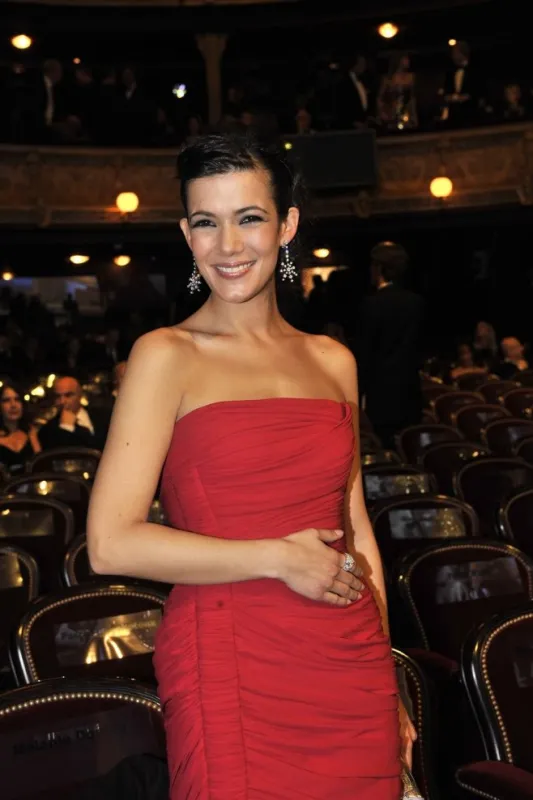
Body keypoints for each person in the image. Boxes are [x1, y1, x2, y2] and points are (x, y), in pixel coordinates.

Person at [87, 134, 414, 799]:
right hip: (230, 656)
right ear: (186, 233)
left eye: (249, 217)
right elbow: (109, 542)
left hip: (348, 659)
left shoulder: (332, 361)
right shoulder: (165, 354)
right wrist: (275, 557)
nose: (228, 245)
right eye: (206, 222)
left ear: (286, 223)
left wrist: (389, 676)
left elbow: (352, 528)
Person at [357, 241, 425, 449]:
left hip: (380, 397)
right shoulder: (417, 302)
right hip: (410, 393)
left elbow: (364, 354)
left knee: (384, 453)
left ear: (379, 268)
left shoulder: (372, 304)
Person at [39, 375, 111, 452]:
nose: (62, 401)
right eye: (58, 397)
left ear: (80, 394)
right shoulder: (47, 430)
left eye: (68, 395)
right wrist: (66, 428)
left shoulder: (102, 416)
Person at [0, 381, 41, 475]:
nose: (13, 405)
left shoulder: (31, 432)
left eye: (17, 399)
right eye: (6, 400)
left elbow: (40, 467)